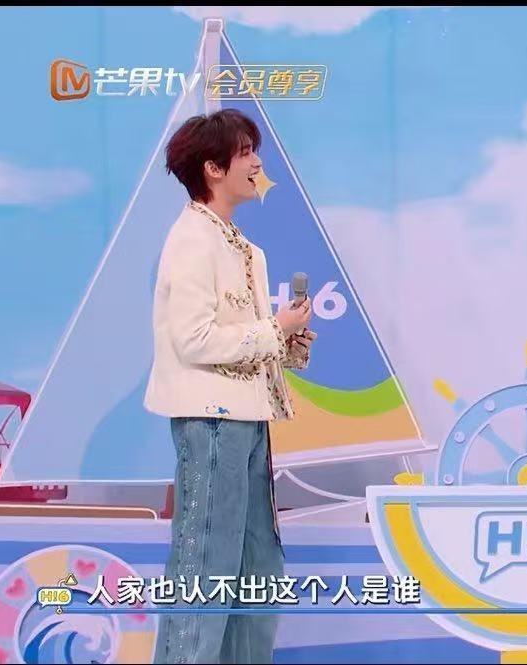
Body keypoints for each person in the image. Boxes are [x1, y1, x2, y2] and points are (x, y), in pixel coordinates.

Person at [144, 108, 316, 663]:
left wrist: (287, 338)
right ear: (213, 168)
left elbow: (243, 339)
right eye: (245, 153)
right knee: (206, 563)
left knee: (256, 567)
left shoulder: (243, 246)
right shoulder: (192, 238)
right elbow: (193, 339)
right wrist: (273, 329)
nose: (257, 163)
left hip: (248, 419)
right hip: (212, 420)